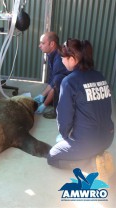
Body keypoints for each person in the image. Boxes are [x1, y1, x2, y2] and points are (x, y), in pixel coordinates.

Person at [47, 39, 114, 182]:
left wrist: (65, 137)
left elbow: (64, 118)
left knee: (52, 157)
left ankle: (90, 164)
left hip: (87, 142)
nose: (62, 62)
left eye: (64, 58)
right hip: (108, 137)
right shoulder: (100, 76)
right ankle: (98, 154)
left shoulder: (69, 81)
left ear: (73, 59)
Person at [34, 32, 71, 119]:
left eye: (43, 43)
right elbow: (52, 78)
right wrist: (43, 95)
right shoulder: (52, 54)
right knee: (47, 96)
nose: (40, 45)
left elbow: (56, 83)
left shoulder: (59, 59)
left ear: (52, 44)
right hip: (61, 82)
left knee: (51, 96)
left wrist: (44, 104)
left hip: (70, 88)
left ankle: (57, 111)